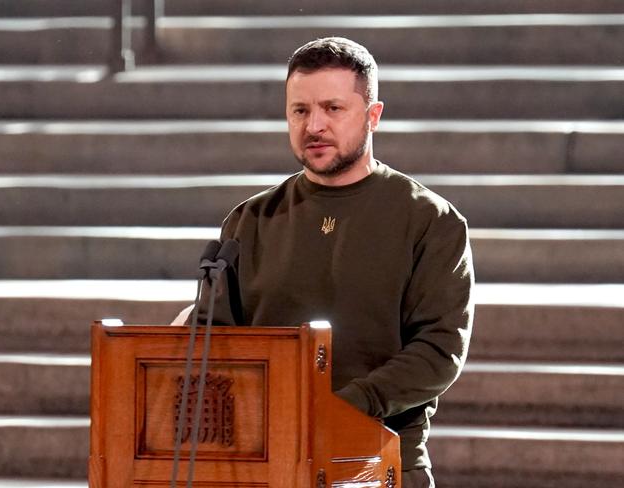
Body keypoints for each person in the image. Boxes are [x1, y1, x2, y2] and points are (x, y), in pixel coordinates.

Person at [173, 37, 474, 488]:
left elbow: (438, 351)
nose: (314, 125)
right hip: (260, 463)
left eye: (333, 109)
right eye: (300, 111)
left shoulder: (430, 220)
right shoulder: (250, 219)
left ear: (373, 116)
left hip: (377, 462)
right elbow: (215, 336)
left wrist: (341, 407)